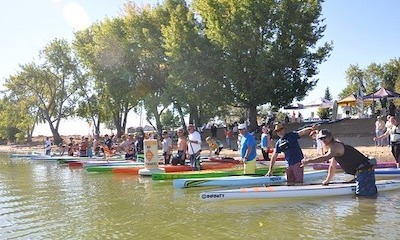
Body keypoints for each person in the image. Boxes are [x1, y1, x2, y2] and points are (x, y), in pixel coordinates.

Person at [302, 129, 377, 197]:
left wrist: (309, 161)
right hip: (360, 172)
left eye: (325, 137)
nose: (323, 140)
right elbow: (332, 166)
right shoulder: (333, 149)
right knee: (361, 196)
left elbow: (326, 157)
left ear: (330, 137)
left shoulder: (335, 146)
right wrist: (327, 181)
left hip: (365, 170)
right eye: (321, 138)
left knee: (363, 197)